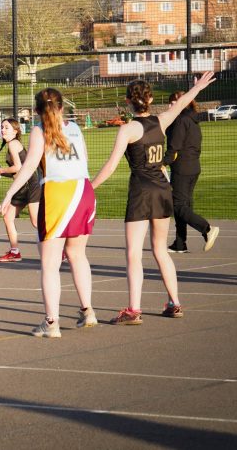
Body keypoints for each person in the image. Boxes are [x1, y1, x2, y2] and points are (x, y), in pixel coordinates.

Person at [91, 72, 215, 325]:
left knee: (133, 254)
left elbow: (112, 165)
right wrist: (198, 88)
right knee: (160, 250)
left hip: (141, 191)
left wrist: (90, 186)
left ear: (128, 101)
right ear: (149, 99)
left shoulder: (128, 130)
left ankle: (134, 310)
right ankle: (175, 303)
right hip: (162, 188)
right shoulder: (161, 121)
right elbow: (181, 103)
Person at [0, 89, 97, 338]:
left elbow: (29, 165)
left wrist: (9, 195)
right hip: (84, 190)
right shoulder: (74, 127)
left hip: (57, 193)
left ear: (37, 111)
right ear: (62, 108)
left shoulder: (39, 131)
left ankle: (51, 322)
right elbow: (84, 158)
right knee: (77, 255)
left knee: (49, 264)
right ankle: (88, 311)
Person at [164, 91, 219, 254]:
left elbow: (174, 148)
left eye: (173, 103)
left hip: (182, 168)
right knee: (184, 204)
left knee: (178, 205)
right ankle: (180, 244)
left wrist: (160, 162)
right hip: (193, 167)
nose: (170, 106)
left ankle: (207, 229)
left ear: (183, 102)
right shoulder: (192, 119)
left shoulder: (181, 120)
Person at [0, 118, 41, 262]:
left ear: (15, 131)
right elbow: (16, 171)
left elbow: (18, 167)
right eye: (2, 127)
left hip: (30, 185)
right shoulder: (12, 144)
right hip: (21, 186)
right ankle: (14, 251)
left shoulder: (13, 144)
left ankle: (59, 249)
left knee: (36, 222)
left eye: (6, 127)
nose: (3, 130)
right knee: (7, 217)